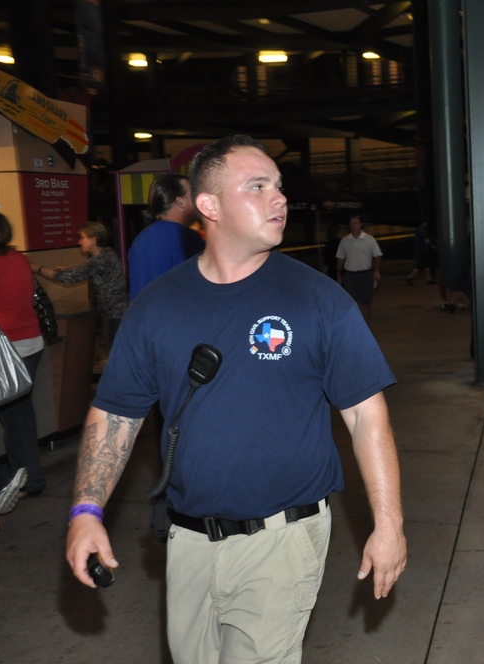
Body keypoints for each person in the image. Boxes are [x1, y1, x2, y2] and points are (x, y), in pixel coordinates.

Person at [64, 135, 406, 663]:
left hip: (282, 540)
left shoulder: (319, 300)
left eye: (279, 186)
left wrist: (390, 525)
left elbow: (366, 416)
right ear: (209, 206)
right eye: (258, 186)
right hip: (188, 542)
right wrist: (87, 510)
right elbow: (115, 414)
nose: (279, 199)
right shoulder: (158, 306)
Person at [0, 212, 45, 515]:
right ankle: (32, 479)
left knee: (12, 416)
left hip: (5, 350)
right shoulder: (18, 259)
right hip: (31, 345)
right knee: (20, 414)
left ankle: (11, 479)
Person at [32, 221, 128, 352]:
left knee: (117, 353)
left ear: (94, 239)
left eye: (82, 237)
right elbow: (87, 269)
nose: (79, 242)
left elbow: (71, 277)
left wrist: (37, 268)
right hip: (117, 313)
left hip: (116, 315)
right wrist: (71, 268)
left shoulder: (100, 259)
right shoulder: (107, 253)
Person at [128, 173, 205, 301]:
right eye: (192, 194)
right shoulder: (186, 237)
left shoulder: (141, 238)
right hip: (176, 317)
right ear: (180, 203)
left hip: (144, 317)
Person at [336, 215, 383, 322]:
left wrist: (377, 271)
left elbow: (377, 256)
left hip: (365, 275)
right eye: (351, 224)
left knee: (366, 301)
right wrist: (339, 275)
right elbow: (340, 258)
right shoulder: (345, 240)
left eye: (356, 223)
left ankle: (366, 325)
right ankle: (354, 324)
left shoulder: (369, 239)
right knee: (350, 301)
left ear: (360, 224)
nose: (353, 226)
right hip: (349, 276)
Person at [405, 220, 436, 285]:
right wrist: (432, 246)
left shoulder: (419, 230)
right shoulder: (421, 231)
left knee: (425, 265)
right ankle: (410, 277)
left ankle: (429, 279)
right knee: (420, 266)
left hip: (421, 250)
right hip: (423, 250)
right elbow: (426, 241)